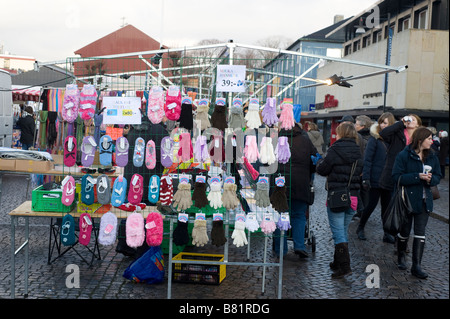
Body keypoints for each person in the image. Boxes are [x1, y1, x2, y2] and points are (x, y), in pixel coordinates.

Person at [392, 127, 441, 279]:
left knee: (420, 233)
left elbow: (438, 176)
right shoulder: (404, 155)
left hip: (425, 201)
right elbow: (396, 177)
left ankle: (416, 266)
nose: (431, 141)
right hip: (407, 200)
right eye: (429, 139)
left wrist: (431, 179)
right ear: (420, 140)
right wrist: (417, 176)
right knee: (405, 231)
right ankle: (401, 256)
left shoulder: (432, 156)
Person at [316, 122, 363, 278]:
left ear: (340, 133)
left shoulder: (335, 149)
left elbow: (323, 170)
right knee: (342, 231)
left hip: (337, 197)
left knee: (338, 233)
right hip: (354, 196)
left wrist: (318, 163)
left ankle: (345, 267)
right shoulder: (359, 151)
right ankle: (337, 263)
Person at [274, 121, 318, 259]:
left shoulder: (276, 138)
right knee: (299, 215)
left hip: (280, 182)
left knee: (280, 213)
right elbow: (314, 160)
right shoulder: (305, 139)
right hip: (301, 182)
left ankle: (281, 249)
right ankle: (299, 245)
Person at [378, 113, 421, 243]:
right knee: (391, 205)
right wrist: (400, 123)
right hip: (393, 174)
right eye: (408, 118)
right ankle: (389, 231)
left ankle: (402, 237)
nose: (409, 120)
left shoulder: (420, 137)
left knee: (407, 207)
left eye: (413, 119)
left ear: (418, 124)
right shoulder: (398, 133)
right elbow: (384, 134)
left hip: (412, 177)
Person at [356, 112, 395, 240]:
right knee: (370, 205)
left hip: (388, 179)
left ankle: (386, 233)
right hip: (375, 178)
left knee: (386, 207)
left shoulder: (394, 140)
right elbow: (368, 160)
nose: (384, 125)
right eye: (382, 122)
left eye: (387, 123)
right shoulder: (374, 138)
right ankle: (360, 227)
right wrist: (366, 178)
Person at [354, 115, 373, 219]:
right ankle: (362, 211)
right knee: (364, 192)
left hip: (362, 168)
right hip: (364, 168)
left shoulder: (361, 137)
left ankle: (362, 212)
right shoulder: (370, 135)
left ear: (363, 126)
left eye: (356, 124)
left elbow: (364, 154)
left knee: (362, 192)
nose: (354, 126)